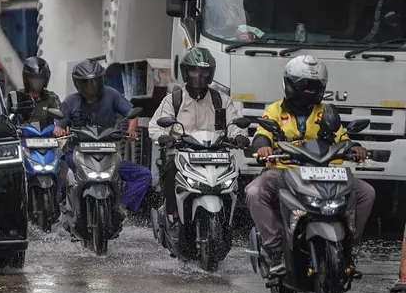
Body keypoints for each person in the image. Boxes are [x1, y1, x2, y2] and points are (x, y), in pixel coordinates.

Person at [246, 55, 373, 276]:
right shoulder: (275, 111)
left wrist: (355, 148)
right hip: (285, 171)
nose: (309, 91)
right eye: (304, 85)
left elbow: (342, 138)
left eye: (314, 86)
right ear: (290, 84)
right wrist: (263, 147)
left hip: (325, 173)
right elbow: (262, 134)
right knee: (254, 192)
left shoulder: (326, 112)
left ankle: (349, 250)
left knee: (366, 193)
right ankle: (276, 251)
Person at [148, 48, 246, 221]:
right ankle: (174, 216)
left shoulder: (221, 100)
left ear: (210, 73)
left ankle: (227, 220)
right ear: (186, 72)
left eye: (204, 71)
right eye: (194, 70)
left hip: (216, 155)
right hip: (183, 153)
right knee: (170, 169)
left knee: (235, 178)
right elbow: (157, 125)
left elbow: (234, 122)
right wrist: (164, 137)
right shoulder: (174, 100)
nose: (199, 75)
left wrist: (239, 136)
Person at [53, 59, 152, 220]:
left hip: (108, 154)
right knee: (61, 174)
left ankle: (121, 208)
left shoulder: (111, 94)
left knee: (143, 174)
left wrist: (131, 129)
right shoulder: (71, 101)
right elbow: (59, 125)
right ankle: (66, 209)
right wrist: (59, 130)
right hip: (78, 153)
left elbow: (132, 113)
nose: (91, 86)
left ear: (101, 80)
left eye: (94, 81)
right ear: (78, 83)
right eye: (86, 82)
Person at [15, 56, 61, 128]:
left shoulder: (51, 97)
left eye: (40, 78)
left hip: (47, 137)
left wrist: (60, 127)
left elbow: (60, 118)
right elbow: (7, 119)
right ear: (26, 78)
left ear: (46, 79)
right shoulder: (17, 96)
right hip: (21, 136)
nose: (37, 81)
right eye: (33, 78)